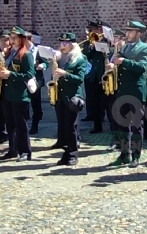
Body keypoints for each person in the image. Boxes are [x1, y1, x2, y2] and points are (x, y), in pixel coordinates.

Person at [110, 21, 147, 167]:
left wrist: (124, 62)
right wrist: (112, 64)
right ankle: (124, 154)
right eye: (127, 31)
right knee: (122, 124)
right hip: (122, 90)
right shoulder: (125, 47)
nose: (127, 34)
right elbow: (119, 63)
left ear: (138, 33)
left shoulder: (145, 48)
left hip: (136, 91)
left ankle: (136, 155)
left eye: (130, 31)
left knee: (136, 125)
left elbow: (142, 67)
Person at [0, 26, 33, 161]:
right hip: (8, 93)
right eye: (11, 38)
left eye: (15, 38)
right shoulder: (9, 52)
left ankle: (25, 151)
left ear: (21, 39)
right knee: (10, 124)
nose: (12, 40)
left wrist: (10, 74)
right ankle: (13, 149)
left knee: (21, 125)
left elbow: (29, 74)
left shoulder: (26, 54)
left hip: (20, 94)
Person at [52, 33, 88, 165]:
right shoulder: (59, 57)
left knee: (71, 127)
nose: (62, 45)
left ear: (72, 44)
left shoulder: (80, 59)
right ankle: (66, 153)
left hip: (73, 97)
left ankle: (73, 154)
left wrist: (65, 74)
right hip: (60, 96)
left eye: (65, 43)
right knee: (63, 127)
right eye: (61, 42)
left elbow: (79, 79)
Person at [82, 20, 109, 134]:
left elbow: (109, 54)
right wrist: (92, 46)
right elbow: (86, 55)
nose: (98, 31)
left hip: (104, 75)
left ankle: (111, 125)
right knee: (94, 101)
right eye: (97, 29)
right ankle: (97, 125)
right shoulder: (89, 41)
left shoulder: (109, 41)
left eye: (100, 29)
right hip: (93, 75)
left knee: (106, 101)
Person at [28, 30, 46, 136]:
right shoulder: (21, 50)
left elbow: (46, 62)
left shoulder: (38, 50)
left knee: (35, 103)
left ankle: (35, 124)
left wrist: (42, 66)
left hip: (36, 79)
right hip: (25, 79)